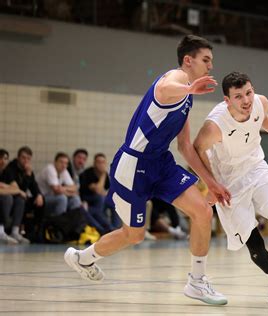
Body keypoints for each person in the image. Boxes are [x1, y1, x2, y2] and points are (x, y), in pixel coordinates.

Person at [64, 35, 231, 305]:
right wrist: (189, 90)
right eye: (206, 60)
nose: (211, 66)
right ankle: (82, 258)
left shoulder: (187, 96)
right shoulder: (174, 80)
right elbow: (165, 89)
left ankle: (197, 282)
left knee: (202, 211)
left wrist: (210, 182)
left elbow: (186, 146)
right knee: (135, 235)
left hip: (161, 162)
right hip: (134, 164)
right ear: (188, 61)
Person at [193, 71, 268, 303]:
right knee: (255, 246)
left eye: (249, 93)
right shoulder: (215, 125)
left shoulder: (260, 103)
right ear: (227, 100)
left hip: (256, 170)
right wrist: (211, 184)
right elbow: (198, 148)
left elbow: (262, 118)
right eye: (238, 96)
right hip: (228, 184)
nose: (247, 100)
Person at [3, 146, 44, 241]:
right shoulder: (10, 168)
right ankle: (13, 231)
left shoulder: (28, 170)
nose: (26, 160)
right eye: (23, 157)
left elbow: (34, 186)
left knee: (41, 201)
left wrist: (39, 195)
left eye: (28, 158)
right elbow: (19, 189)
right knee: (20, 200)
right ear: (18, 157)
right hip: (11, 196)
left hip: (20, 196)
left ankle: (36, 233)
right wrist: (27, 176)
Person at [80, 153, 116, 235]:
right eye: (98, 162)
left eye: (103, 162)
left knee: (114, 201)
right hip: (87, 198)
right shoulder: (88, 173)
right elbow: (98, 190)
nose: (101, 164)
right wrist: (103, 174)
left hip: (99, 199)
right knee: (100, 198)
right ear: (94, 163)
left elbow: (108, 191)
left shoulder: (106, 175)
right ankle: (108, 229)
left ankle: (115, 228)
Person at [37, 152, 82, 217]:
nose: (63, 165)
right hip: (40, 198)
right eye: (61, 162)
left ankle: (74, 224)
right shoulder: (50, 169)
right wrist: (69, 192)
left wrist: (63, 188)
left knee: (76, 199)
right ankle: (59, 224)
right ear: (55, 162)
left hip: (53, 197)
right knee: (62, 198)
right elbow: (57, 190)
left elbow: (74, 187)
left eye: (66, 163)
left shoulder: (64, 171)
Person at [0, 149, 28, 244]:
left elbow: (16, 188)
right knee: (6, 197)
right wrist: (9, 189)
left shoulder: (7, 171)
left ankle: (15, 232)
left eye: (5, 158)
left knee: (20, 199)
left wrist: (4, 185)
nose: (2, 161)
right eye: (0, 158)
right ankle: (0, 231)